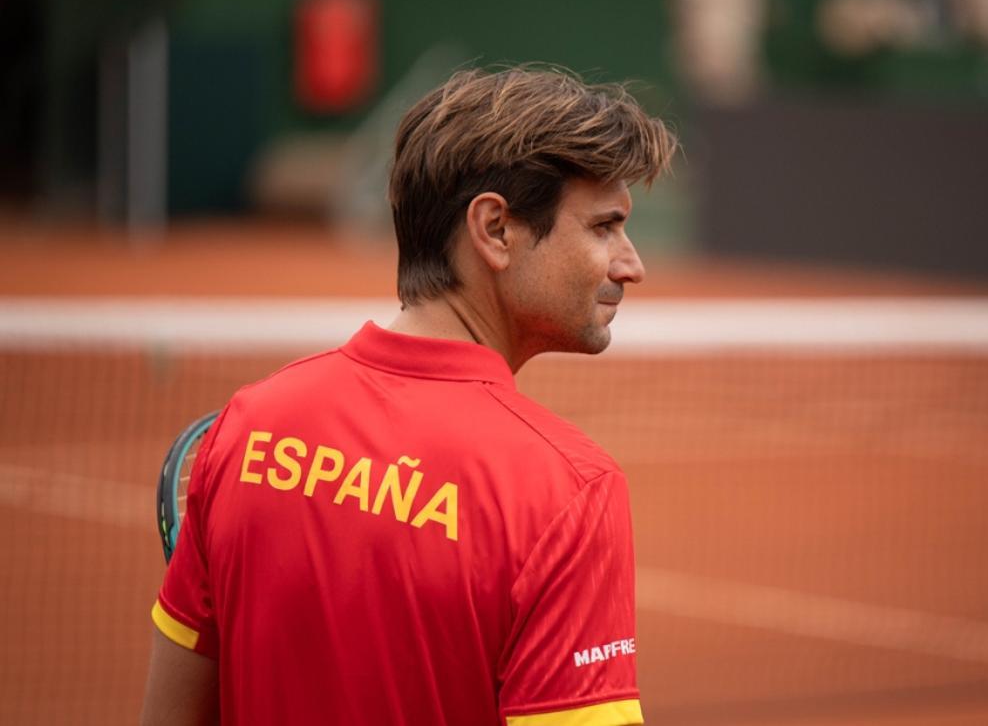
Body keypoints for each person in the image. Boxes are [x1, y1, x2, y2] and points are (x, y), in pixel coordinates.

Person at [140, 66, 677, 726]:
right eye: (604, 227)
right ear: (496, 230)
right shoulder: (568, 489)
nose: (632, 263)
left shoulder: (246, 426)